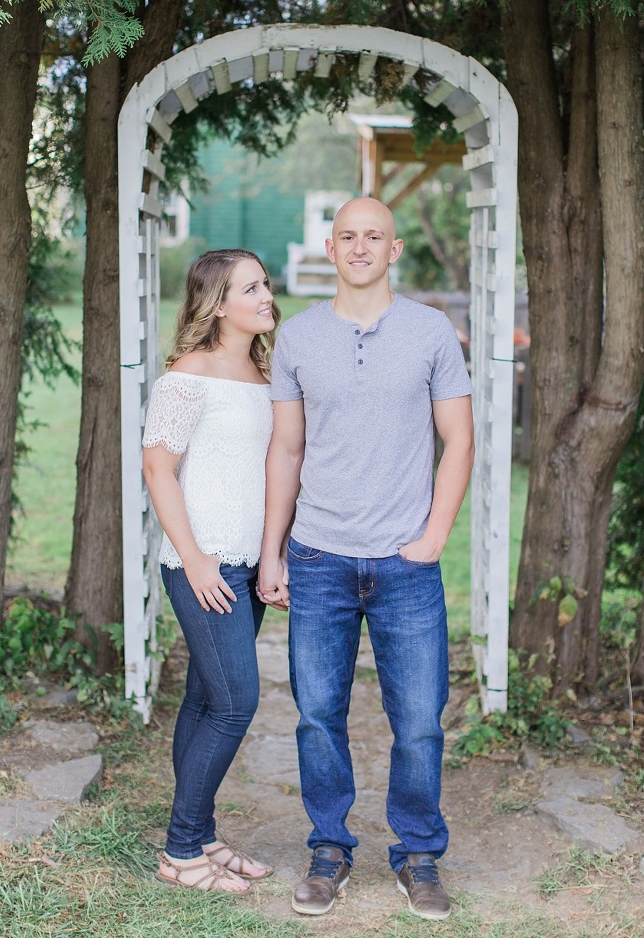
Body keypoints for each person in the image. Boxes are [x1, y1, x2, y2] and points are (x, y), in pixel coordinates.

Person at [258, 197, 474, 921]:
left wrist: (436, 532)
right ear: (330, 244)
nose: (359, 246)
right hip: (319, 554)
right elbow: (286, 448)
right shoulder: (298, 337)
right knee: (318, 714)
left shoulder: (431, 330)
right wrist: (273, 550)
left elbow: (460, 439)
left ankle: (419, 854)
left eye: (372, 236)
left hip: (406, 562)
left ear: (394, 248)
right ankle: (329, 848)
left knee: (418, 718)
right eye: (347, 235)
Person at [142, 248, 280, 895]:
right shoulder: (186, 376)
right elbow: (157, 469)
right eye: (250, 286)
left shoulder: (261, 371)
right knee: (235, 702)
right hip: (202, 563)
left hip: (246, 563)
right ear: (218, 303)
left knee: (204, 700)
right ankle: (179, 849)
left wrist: (269, 555)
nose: (266, 294)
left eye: (265, 283)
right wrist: (196, 558)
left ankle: (203, 838)